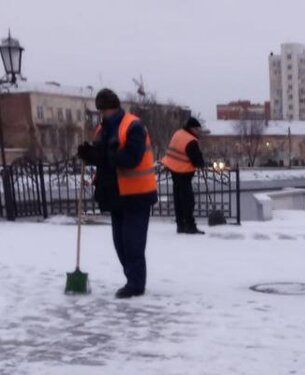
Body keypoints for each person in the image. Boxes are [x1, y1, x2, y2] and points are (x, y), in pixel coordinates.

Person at [77, 89, 157, 298]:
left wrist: (105, 155)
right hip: (114, 194)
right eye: (100, 112)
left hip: (136, 194)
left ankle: (136, 284)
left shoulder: (133, 126)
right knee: (120, 243)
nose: (102, 115)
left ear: (113, 108)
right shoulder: (102, 129)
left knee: (133, 242)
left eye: (104, 110)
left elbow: (131, 158)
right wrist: (90, 154)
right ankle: (132, 279)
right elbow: (104, 157)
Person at [162, 116, 207, 234]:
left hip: (172, 168)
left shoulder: (178, 133)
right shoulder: (191, 140)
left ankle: (180, 225)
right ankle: (190, 226)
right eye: (198, 129)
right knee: (188, 200)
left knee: (178, 199)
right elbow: (196, 159)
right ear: (192, 128)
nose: (199, 132)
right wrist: (202, 164)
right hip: (183, 171)